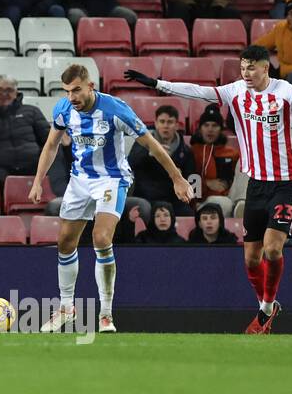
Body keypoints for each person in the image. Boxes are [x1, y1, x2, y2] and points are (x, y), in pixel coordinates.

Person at [127, 45, 292, 333]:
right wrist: (159, 84)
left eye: (252, 67)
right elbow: (197, 91)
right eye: (243, 67)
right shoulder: (235, 91)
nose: (246, 73)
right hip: (255, 184)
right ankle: (267, 306)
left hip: (286, 183)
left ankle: (266, 310)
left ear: (265, 68)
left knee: (272, 249)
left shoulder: (283, 90)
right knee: (250, 258)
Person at [30, 64, 192, 331]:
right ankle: (66, 308)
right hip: (80, 180)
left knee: (101, 238)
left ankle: (105, 314)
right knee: (65, 243)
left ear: (91, 86)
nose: (72, 97)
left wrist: (177, 177)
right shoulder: (63, 109)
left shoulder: (116, 109)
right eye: (68, 91)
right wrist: (38, 181)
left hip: (112, 178)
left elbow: (151, 144)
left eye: (77, 90)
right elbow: (51, 144)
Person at [0, 71, 50, 187]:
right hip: (1, 171)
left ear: (16, 93)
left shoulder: (32, 111)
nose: (4, 94)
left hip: (34, 166)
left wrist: (40, 158)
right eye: (0, 90)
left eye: (9, 90)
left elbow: (49, 141)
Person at [127, 104, 194, 211]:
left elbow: (192, 177)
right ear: (156, 124)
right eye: (162, 122)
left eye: (170, 122)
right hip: (146, 197)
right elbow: (130, 163)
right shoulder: (142, 143)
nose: (166, 126)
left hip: (174, 198)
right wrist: (150, 152)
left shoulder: (185, 151)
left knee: (188, 212)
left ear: (177, 125)